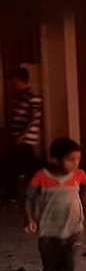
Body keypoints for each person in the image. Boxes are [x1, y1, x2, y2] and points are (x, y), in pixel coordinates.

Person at [24, 137, 86, 271]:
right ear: (55, 160)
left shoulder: (79, 175)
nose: (76, 163)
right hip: (49, 232)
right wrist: (29, 219)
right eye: (71, 159)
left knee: (73, 268)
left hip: (73, 229)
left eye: (78, 159)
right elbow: (28, 198)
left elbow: (85, 192)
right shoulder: (42, 176)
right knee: (52, 270)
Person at [3, 67, 44, 204]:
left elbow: (33, 118)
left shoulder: (33, 97)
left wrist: (22, 135)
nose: (13, 84)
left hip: (25, 139)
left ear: (19, 80)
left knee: (21, 166)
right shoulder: (19, 97)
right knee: (22, 166)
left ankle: (19, 193)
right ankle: (17, 193)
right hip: (18, 138)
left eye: (15, 80)